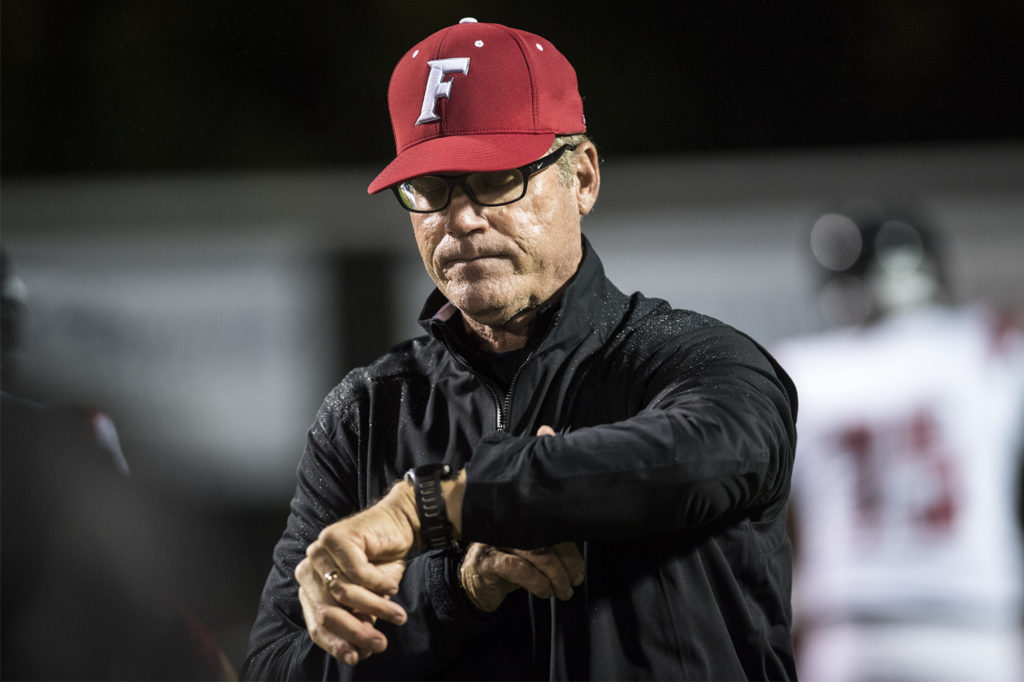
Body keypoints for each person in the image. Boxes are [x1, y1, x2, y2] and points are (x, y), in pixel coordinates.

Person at [241, 17, 798, 681]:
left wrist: (437, 506)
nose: (461, 217)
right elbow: (277, 668)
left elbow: (708, 457)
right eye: (430, 188)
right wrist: (455, 590)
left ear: (582, 177)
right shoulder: (367, 413)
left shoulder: (694, 358)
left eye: (497, 176)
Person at [774, 201, 1024, 681]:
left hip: (852, 631)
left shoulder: (800, 370)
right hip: (975, 631)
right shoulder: (986, 344)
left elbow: (771, 519)